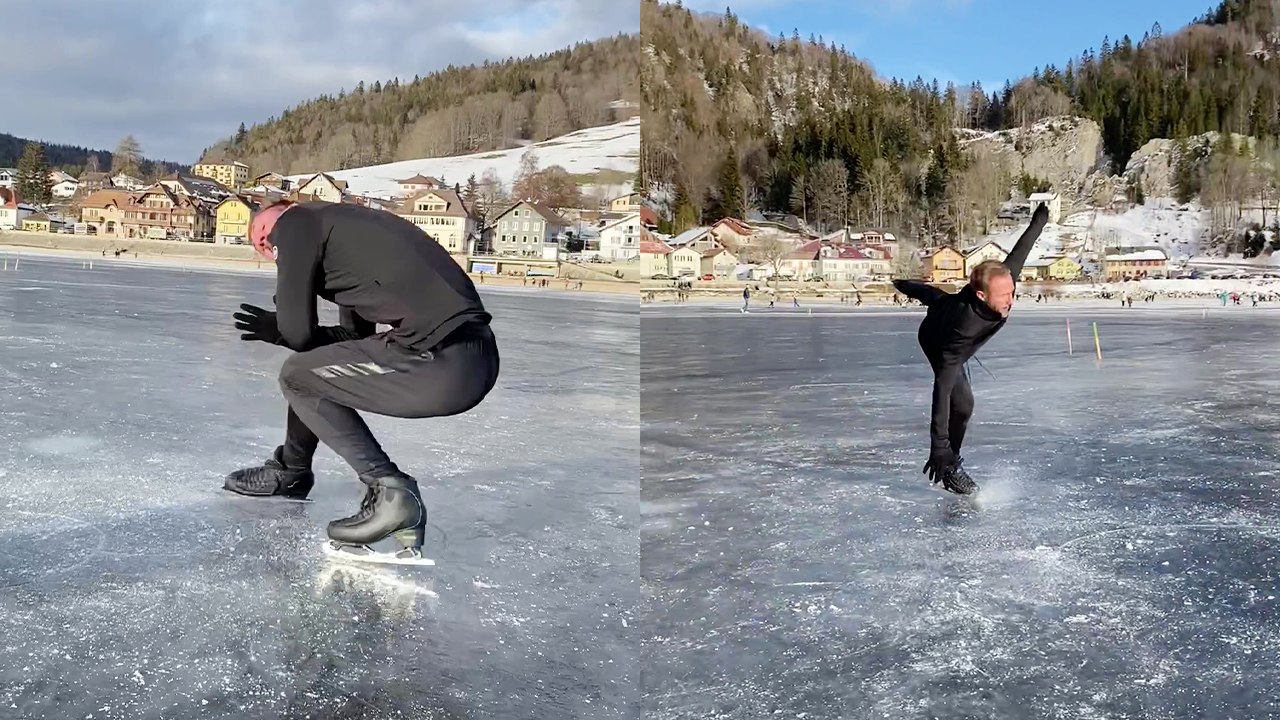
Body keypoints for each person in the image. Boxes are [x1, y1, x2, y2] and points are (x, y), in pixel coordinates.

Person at [224, 199, 500, 561]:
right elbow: (351, 343)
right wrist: (287, 332)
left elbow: (299, 333)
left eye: (261, 235)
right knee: (311, 372)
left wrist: (283, 328)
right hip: (470, 359)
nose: (264, 245)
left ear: (276, 219)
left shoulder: (297, 221)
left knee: (296, 375)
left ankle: (391, 492)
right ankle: (292, 472)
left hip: (438, 358)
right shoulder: (348, 237)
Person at [891, 204, 1048, 495]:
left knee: (937, 298)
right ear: (981, 295)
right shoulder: (963, 329)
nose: (1010, 301)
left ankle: (910, 286)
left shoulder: (1002, 280)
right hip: (937, 340)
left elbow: (1020, 251)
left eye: (1011, 293)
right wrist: (938, 447)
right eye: (1003, 296)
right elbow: (942, 389)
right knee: (962, 404)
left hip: (947, 307)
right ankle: (950, 466)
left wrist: (1039, 221)